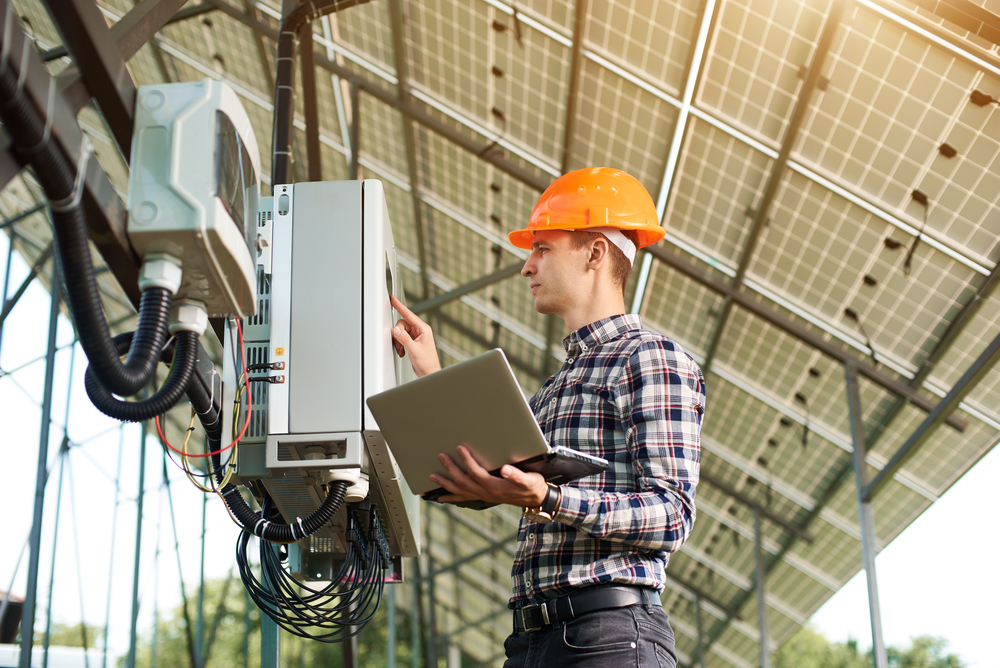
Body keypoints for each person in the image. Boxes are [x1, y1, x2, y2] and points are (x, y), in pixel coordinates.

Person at [389, 167, 705, 668]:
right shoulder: (556, 388)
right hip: (533, 640)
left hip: (610, 636)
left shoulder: (651, 358)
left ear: (595, 253)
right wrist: (429, 373)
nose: (526, 266)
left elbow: (672, 515)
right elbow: (493, 475)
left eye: (543, 248)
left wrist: (551, 498)